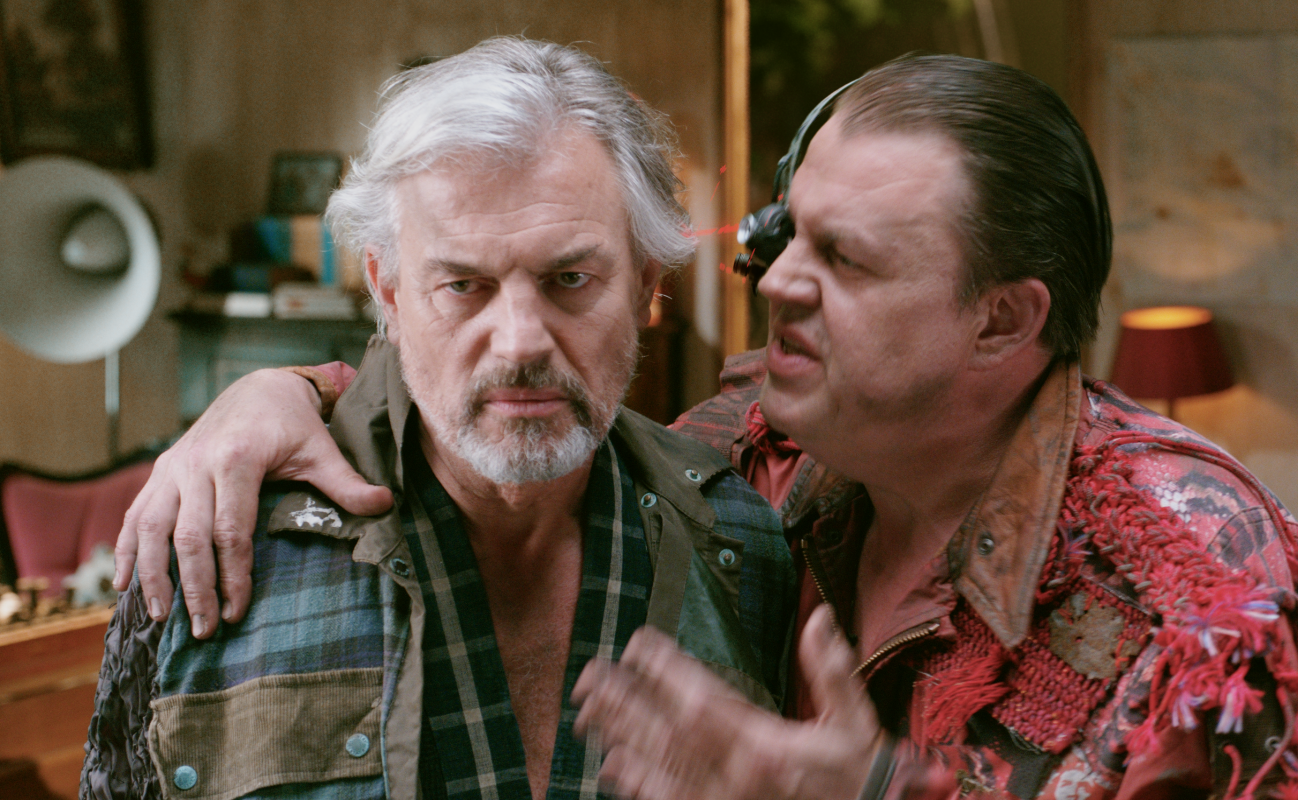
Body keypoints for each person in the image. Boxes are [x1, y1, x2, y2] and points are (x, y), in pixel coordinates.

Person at [114, 55, 1298, 800]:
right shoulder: (762, 446)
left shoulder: (1206, 592)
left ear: (1002, 319)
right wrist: (279, 395)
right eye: (785, 235)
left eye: (846, 259)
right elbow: (503, 395)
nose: (777, 285)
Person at [83, 37, 797, 800]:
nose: (520, 341)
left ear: (645, 286)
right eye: (463, 285)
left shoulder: (740, 542)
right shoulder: (213, 535)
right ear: (387, 293)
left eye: (569, 278)